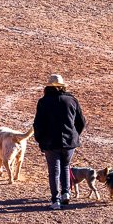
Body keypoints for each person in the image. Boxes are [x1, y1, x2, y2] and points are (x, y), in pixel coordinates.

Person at [32, 73, 86, 210]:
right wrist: (74, 136)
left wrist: (40, 140)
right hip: (69, 142)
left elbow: (38, 125)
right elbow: (81, 122)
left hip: (50, 143)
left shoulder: (43, 102)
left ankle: (55, 200)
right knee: (65, 167)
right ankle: (66, 193)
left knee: (54, 171)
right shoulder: (72, 100)